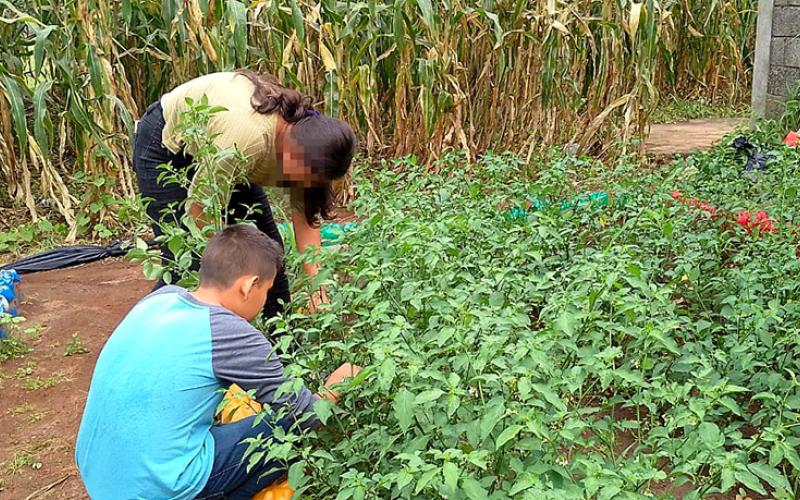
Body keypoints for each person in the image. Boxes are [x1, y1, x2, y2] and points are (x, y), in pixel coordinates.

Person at [75, 224, 361, 499]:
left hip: (98, 474)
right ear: (249, 286)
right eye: (267, 291)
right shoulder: (229, 332)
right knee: (286, 428)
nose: (265, 301)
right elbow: (306, 414)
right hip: (156, 488)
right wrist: (336, 386)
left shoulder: (160, 298)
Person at [133, 71, 357, 318]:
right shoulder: (249, 140)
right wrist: (225, 269)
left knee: (269, 253)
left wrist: (317, 286)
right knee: (189, 261)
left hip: (222, 149)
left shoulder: (310, 144)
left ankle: (280, 338)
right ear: (294, 150)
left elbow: (305, 215)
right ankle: (146, 327)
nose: (299, 185)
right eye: (302, 176)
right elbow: (200, 214)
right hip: (166, 145)